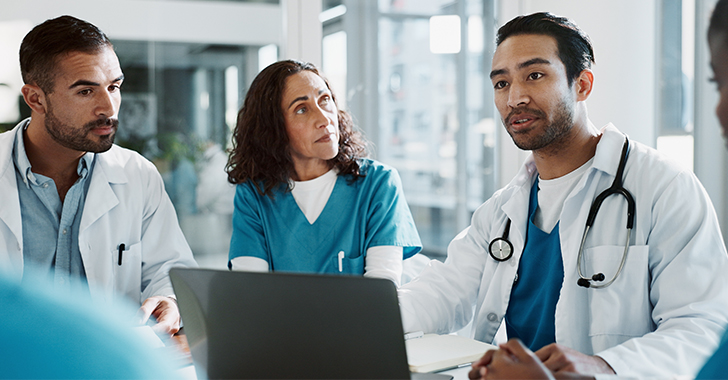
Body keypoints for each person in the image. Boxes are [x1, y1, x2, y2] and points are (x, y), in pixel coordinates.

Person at [398, 11, 728, 378]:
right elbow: (444, 291)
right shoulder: (501, 211)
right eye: (501, 83)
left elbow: (702, 327)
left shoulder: (664, 188)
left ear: (582, 84)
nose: (514, 98)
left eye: (534, 75)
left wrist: (603, 366)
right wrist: (360, 318)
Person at [0, 15, 197, 335]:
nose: (109, 107)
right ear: (35, 99)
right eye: (85, 92)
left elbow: (170, 271)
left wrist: (168, 299)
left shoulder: (138, 176)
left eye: (114, 87)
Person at [226, 60, 421, 286]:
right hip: (279, 323)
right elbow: (251, 293)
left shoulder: (379, 184)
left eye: (325, 100)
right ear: (273, 128)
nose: (324, 119)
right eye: (301, 109)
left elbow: (380, 296)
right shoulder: (254, 195)